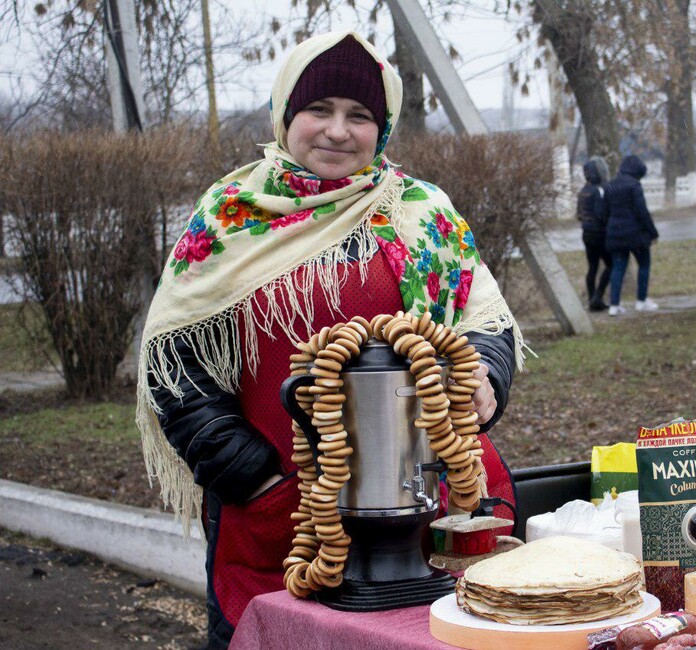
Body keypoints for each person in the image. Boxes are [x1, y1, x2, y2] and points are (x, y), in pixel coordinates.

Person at [136, 31, 524, 649]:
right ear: (287, 113)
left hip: (434, 516)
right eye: (319, 110)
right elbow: (175, 368)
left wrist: (486, 376)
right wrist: (258, 481)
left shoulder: (421, 212)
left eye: (360, 115)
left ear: (383, 127)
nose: (337, 131)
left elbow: (486, 326)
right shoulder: (229, 218)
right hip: (281, 525)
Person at [604, 154, 659, 316]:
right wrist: (653, 232)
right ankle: (641, 301)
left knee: (618, 267)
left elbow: (604, 211)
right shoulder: (634, 186)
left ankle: (614, 305)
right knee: (644, 264)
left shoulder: (610, 185)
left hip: (615, 234)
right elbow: (642, 212)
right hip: (636, 235)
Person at [576, 156, 612, 311]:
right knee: (612, 265)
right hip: (599, 234)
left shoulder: (583, 191)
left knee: (592, 267)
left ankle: (592, 299)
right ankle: (598, 296)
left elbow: (579, 214)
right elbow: (601, 214)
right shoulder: (599, 190)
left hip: (587, 233)